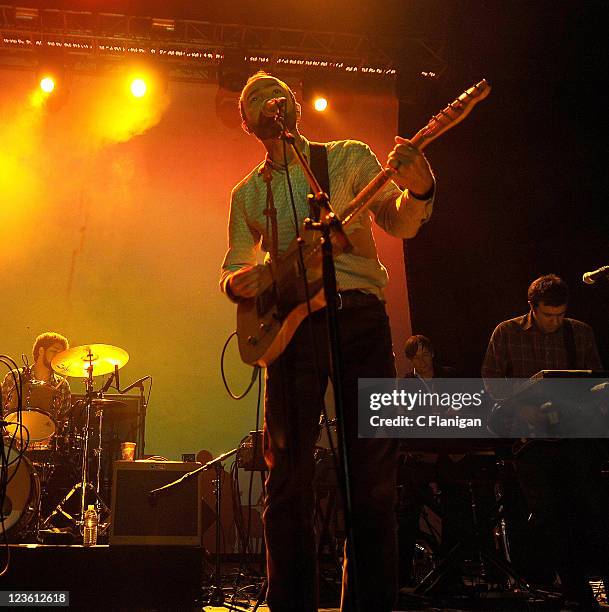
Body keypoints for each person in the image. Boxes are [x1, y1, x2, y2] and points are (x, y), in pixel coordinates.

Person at [220, 71, 435, 611]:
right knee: (288, 478)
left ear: (294, 107)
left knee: (373, 475)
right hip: (293, 331)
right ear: (247, 122)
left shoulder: (348, 158)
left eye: (279, 93)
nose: (272, 99)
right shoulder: (247, 194)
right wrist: (239, 283)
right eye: (256, 99)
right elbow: (235, 267)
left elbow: (401, 224)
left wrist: (422, 187)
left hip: (361, 316)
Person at [482, 274, 607, 608]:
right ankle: (565, 584)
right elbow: (492, 383)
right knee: (546, 512)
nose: (555, 322)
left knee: (585, 510)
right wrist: (522, 407)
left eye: (560, 315)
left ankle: (583, 586)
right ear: (531, 307)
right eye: (548, 315)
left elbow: (596, 381)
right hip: (530, 440)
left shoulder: (579, 333)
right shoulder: (506, 332)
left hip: (573, 436)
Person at [1, 331, 72, 437]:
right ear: (41, 350)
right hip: (13, 441)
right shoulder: (15, 377)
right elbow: (2, 411)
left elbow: (63, 420)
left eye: (60, 354)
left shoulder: (63, 385)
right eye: (54, 351)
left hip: (47, 446)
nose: (57, 357)